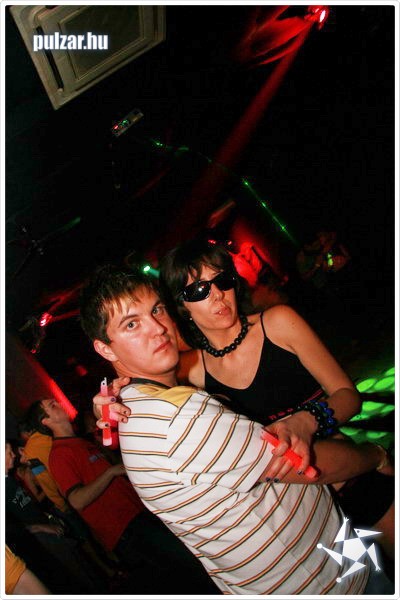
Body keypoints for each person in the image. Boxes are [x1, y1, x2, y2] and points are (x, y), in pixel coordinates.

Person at [82, 263, 394, 595]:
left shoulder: (272, 324)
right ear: (184, 307)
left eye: (156, 310)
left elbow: (346, 396)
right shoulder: (185, 394)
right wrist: (374, 454)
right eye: (198, 290)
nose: (157, 328)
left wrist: (310, 421)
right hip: (319, 578)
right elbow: (304, 466)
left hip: (331, 537)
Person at [31, 398, 221, 595]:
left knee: (191, 568)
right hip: (125, 530)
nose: (59, 404)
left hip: (139, 514)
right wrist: (111, 472)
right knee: (188, 574)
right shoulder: (59, 454)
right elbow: (77, 500)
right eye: (52, 405)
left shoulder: (80, 442)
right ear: (46, 421)